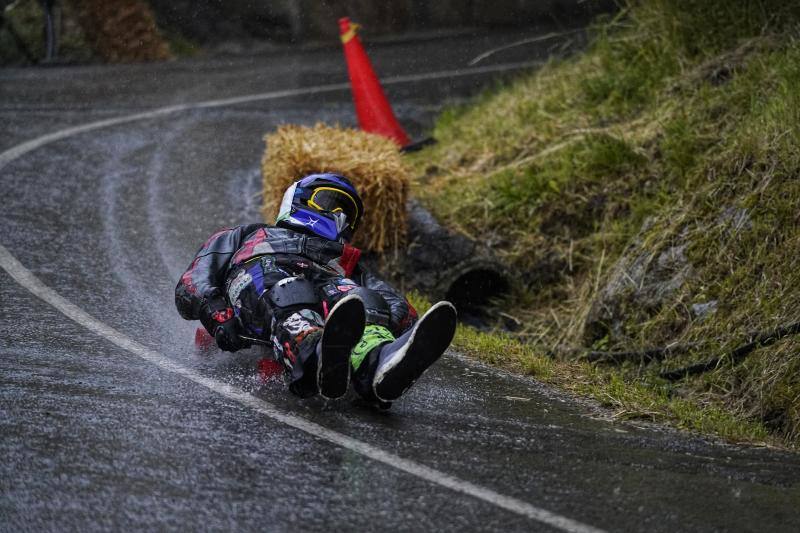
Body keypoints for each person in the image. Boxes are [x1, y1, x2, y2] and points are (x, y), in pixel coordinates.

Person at [175, 173, 457, 407]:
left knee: (363, 298)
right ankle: (312, 351)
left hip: (323, 292)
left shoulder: (347, 263)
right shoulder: (246, 235)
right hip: (260, 278)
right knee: (290, 289)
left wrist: (387, 321)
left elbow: (400, 307)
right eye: (331, 203)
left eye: (346, 213)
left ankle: (378, 363)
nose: (338, 215)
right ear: (298, 199)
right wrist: (214, 310)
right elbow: (192, 280)